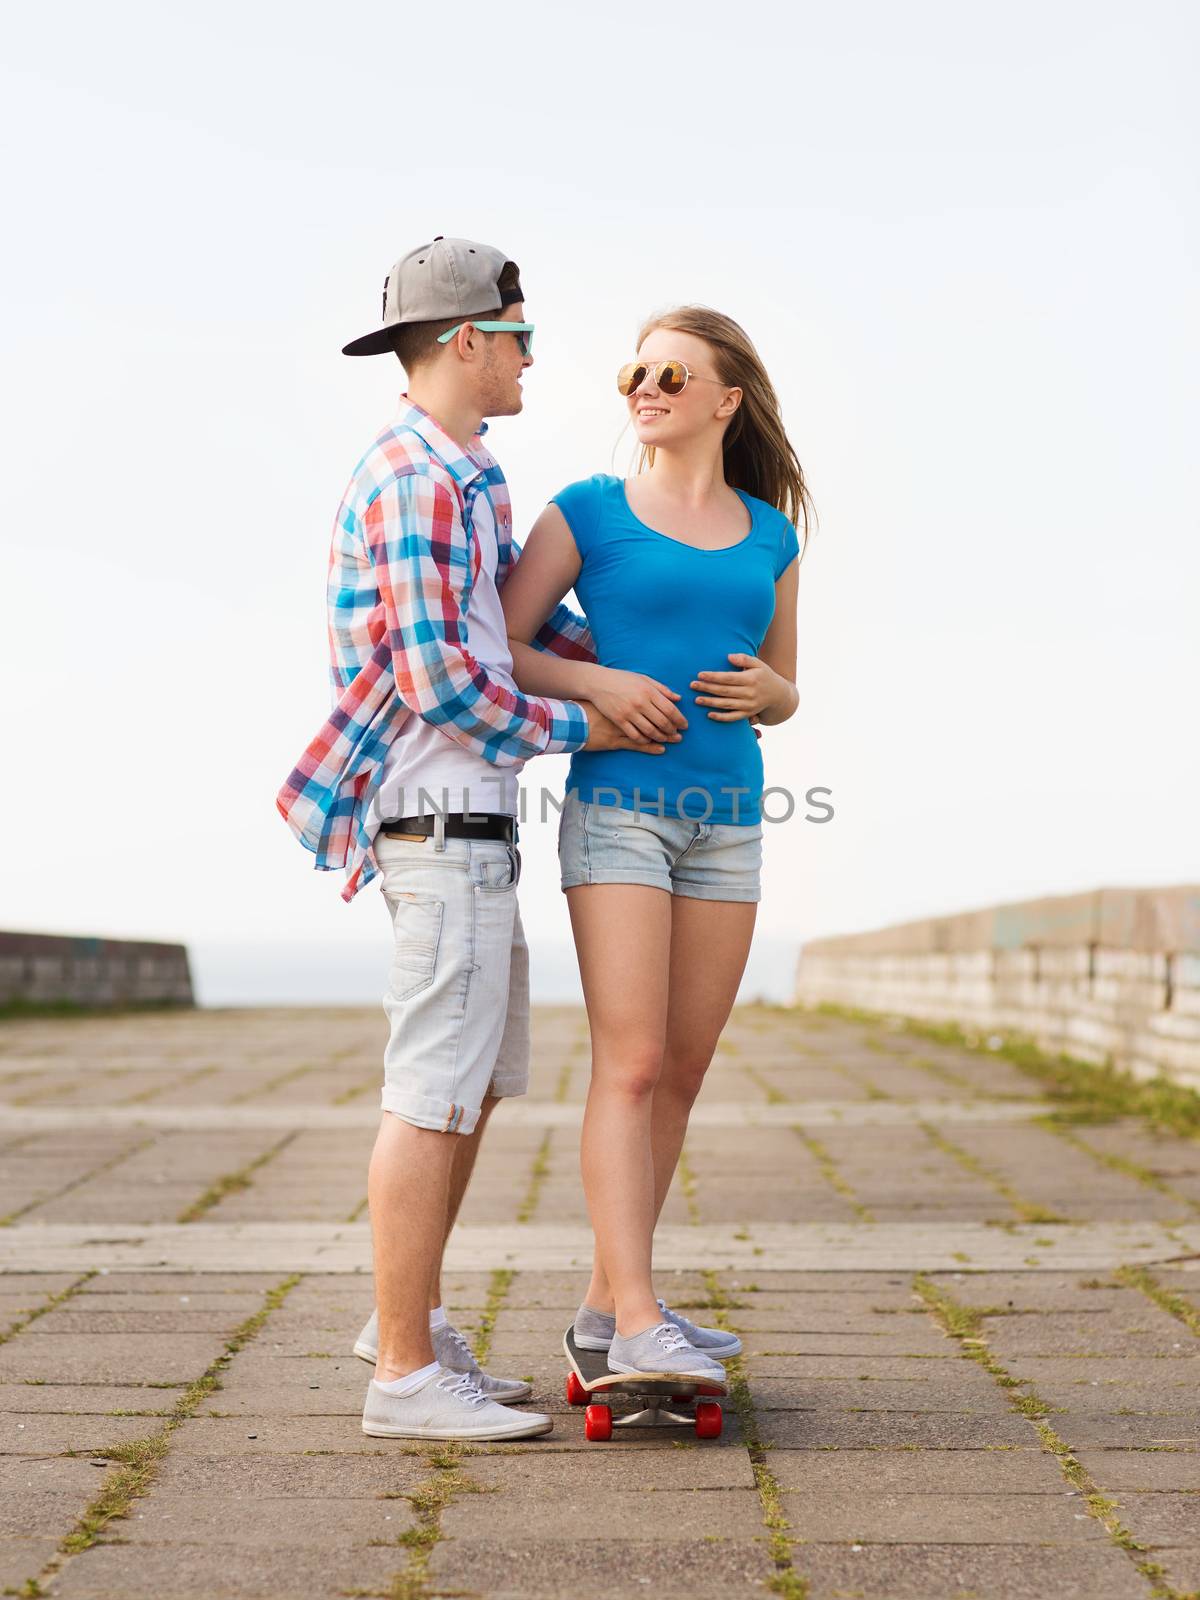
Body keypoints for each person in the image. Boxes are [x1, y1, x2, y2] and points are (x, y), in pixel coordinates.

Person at [275, 237, 681, 1441]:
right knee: (431, 1096)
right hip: (437, 817)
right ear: (467, 340)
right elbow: (447, 678)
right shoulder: (412, 474)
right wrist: (592, 714)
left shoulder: (469, 473)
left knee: (473, 1090)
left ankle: (414, 1325)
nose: (531, 359)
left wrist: (597, 640)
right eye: (520, 337)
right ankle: (402, 1375)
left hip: (474, 824)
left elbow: (510, 610)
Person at [500, 305, 811, 1381]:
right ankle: (636, 1324)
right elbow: (506, 643)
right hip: (619, 811)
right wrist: (598, 680)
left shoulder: (773, 533)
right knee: (629, 1064)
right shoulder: (585, 510)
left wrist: (779, 692)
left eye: (672, 373)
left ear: (725, 399)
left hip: (730, 824)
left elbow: (783, 685)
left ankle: (606, 1308)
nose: (647, 385)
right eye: (636, 370)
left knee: (680, 1069)